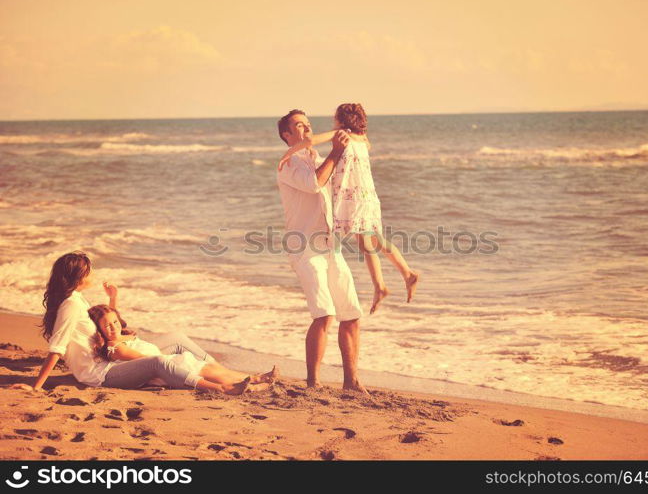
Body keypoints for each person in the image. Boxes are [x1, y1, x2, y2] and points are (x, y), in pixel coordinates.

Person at [26, 251, 274, 395]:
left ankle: (229, 375)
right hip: (101, 373)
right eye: (88, 271)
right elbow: (56, 349)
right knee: (158, 361)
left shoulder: (78, 298)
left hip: (110, 357)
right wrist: (37, 387)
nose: (92, 274)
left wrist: (113, 299)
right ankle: (220, 388)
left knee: (177, 340)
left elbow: (108, 323)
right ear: (78, 277)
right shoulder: (70, 305)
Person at [278, 103, 419, 314]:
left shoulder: (341, 133)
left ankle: (382, 285)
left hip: (354, 195)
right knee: (376, 239)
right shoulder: (363, 139)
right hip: (368, 194)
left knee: (366, 242)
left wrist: (288, 153)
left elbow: (309, 141)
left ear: (341, 120)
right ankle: (405, 273)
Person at [276, 109, 366, 392]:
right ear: (287, 135)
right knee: (324, 313)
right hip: (305, 247)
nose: (306, 129)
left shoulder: (316, 157)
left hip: (331, 244)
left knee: (351, 312)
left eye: (308, 124)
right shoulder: (288, 162)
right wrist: (336, 152)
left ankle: (351, 382)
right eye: (298, 126)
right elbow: (315, 183)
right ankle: (313, 383)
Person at [88, 304, 276, 394]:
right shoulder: (117, 348)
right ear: (100, 331)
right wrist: (177, 361)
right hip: (161, 367)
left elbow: (114, 319)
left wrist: (113, 298)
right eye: (107, 327)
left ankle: (253, 379)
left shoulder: (118, 334)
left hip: (162, 361)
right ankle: (243, 387)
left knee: (211, 367)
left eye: (115, 322)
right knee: (208, 370)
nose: (114, 327)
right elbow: (149, 359)